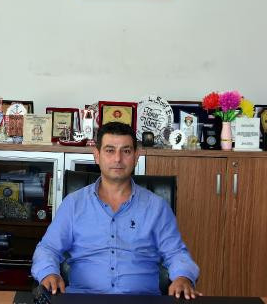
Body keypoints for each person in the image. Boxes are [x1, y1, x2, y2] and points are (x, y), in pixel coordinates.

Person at [31, 122, 200, 298]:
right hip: (84, 297)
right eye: (110, 150)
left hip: (142, 299)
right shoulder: (73, 204)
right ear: (97, 156)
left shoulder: (156, 207)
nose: (118, 159)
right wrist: (49, 273)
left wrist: (183, 277)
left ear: (136, 156)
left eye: (126, 151)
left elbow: (176, 253)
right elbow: (48, 248)